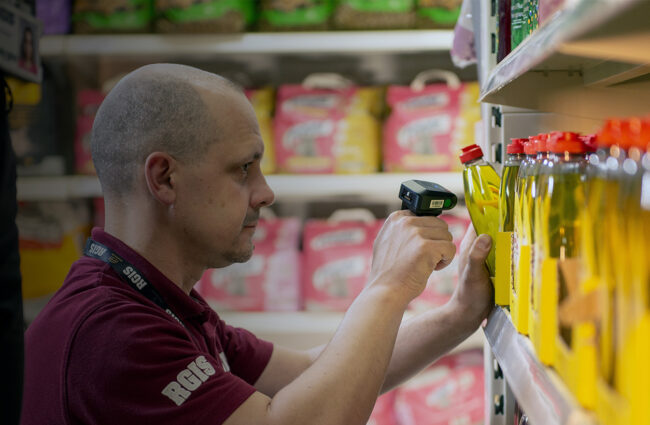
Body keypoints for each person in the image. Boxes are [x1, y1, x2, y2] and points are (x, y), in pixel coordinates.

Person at [21, 63, 493, 425]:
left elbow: (314, 374)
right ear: (164, 178)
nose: (266, 192)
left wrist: (459, 314)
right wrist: (387, 286)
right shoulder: (111, 333)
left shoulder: (163, 304)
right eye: (243, 168)